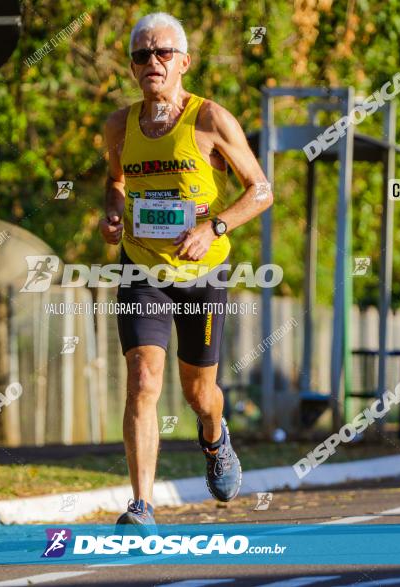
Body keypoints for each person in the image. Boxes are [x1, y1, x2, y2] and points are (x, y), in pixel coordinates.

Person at [98, 12, 273, 529]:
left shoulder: (210, 120)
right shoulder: (119, 125)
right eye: (141, 55)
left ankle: (215, 438)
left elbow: (261, 190)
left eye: (162, 53)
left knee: (199, 392)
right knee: (143, 379)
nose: (152, 62)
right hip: (142, 269)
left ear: (183, 62)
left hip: (201, 273)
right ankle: (142, 506)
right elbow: (117, 182)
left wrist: (215, 227)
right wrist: (111, 212)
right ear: (131, 67)